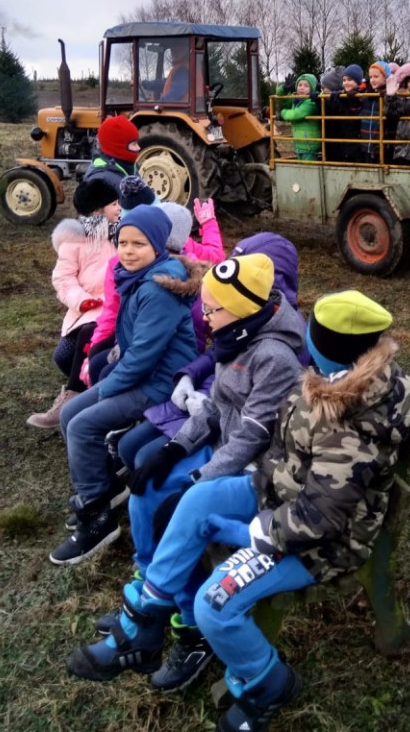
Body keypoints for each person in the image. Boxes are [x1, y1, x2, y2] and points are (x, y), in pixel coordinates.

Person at [66, 289, 410, 732]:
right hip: (279, 493)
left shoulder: (353, 428)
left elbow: (320, 518)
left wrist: (248, 532)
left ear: (324, 347)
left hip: (320, 541)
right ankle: (143, 624)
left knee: (216, 602)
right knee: (198, 498)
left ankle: (268, 683)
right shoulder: (333, 380)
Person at [121, 252, 306, 593]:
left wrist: (195, 483)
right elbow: (216, 407)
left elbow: (250, 438)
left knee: (178, 512)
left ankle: (183, 609)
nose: (204, 317)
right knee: (145, 490)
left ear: (241, 308)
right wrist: (173, 448)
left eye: (211, 309)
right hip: (222, 449)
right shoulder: (235, 335)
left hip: (251, 468)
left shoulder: (273, 359)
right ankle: (148, 571)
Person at [49, 205, 199, 566]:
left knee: (83, 422)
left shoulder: (159, 288)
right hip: (141, 375)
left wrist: (105, 384)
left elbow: (144, 357)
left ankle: (98, 517)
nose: (128, 251)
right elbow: (129, 340)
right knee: (70, 412)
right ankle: (105, 486)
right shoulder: (136, 277)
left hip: (162, 384)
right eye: (123, 242)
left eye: (140, 244)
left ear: (159, 246)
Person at [26, 177, 121, 430]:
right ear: (97, 210)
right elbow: (63, 278)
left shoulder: (124, 234)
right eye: (114, 203)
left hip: (116, 308)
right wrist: (81, 300)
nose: (119, 208)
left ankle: (73, 393)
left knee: (90, 341)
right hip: (87, 308)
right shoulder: (75, 242)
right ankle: (87, 384)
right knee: (63, 356)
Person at [84, 115, 141, 194]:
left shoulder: (130, 168)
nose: (138, 148)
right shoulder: (100, 182)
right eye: (133, 144)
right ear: (117, 147)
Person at [323, 64, 365, 162]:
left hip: (358, 148)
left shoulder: (363, 97)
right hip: (345, 148)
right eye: (344, 80)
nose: (346, 83)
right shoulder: (340, 98)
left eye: (349, 80)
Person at [278, 73, 321, 160]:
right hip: (299, 145)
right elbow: (281, 98)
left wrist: (282, 114)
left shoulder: (310, 103)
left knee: (309, 172)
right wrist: (284, 89)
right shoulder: (295, 100)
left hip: (310, 146)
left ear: (312, 88)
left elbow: (296, 114)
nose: (302, 88)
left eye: (306, 86)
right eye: (300, 85)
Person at [360, 61, 396, 163]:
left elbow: (392, 115)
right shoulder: (367, 96)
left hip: (384, 147)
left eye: (376, 76)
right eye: (371, 77)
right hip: (367, 146)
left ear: (385, 77)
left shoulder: (391, 96)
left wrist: (389, 96)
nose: (372, 80)